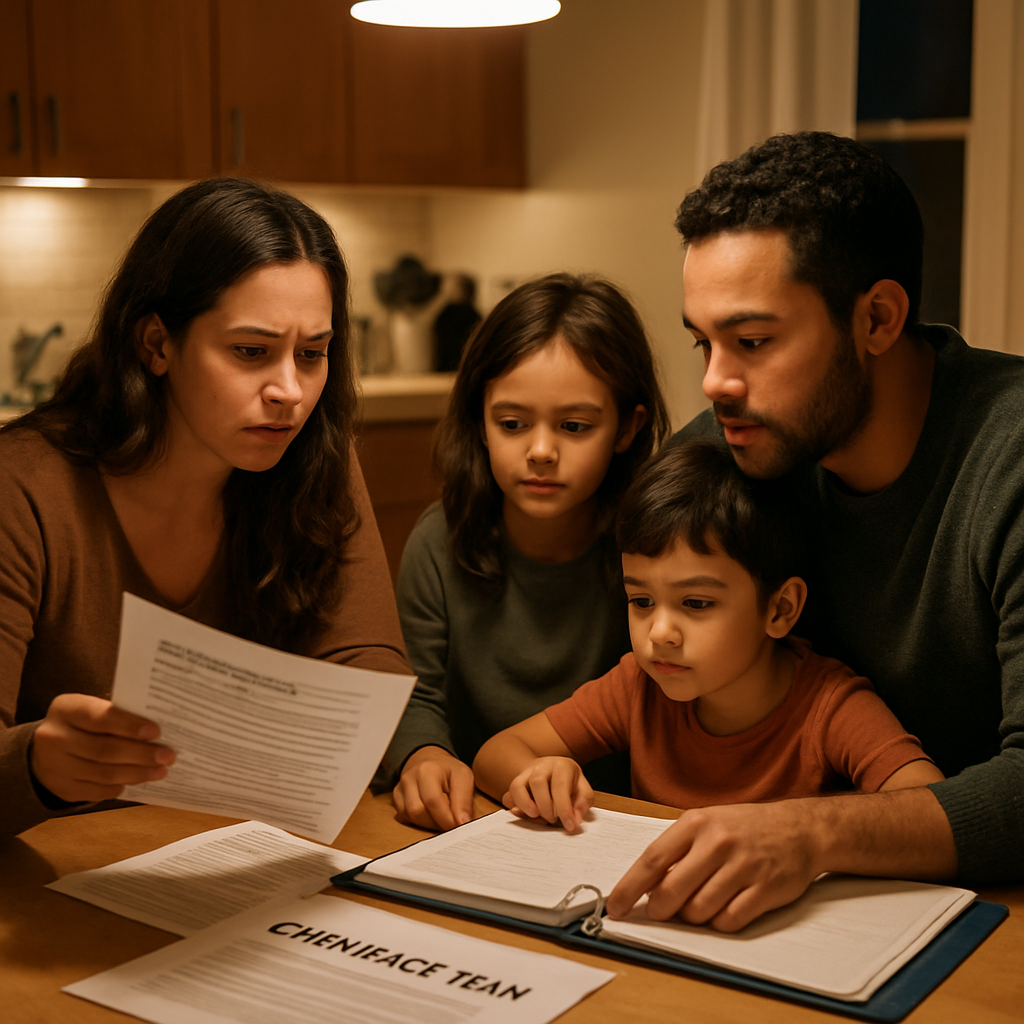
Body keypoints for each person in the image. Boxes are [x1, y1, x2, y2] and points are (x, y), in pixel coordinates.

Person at [605, 130, 1024, 934]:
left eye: (753, 342)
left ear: (877, 317)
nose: (715, 381)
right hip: (793, 919)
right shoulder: (718, 453)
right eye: (704, 341)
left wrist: (812, 830)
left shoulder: (1008, 461)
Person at [0, 177, 410, 837]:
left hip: (233, 855)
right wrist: (39, 764)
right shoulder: (23, 488)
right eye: (250, 352)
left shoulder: (314, 458)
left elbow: (366, 664)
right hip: (55, 874)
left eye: (313, 354)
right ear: (156, 345)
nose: (290, 392)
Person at [473, 439, 942, 830]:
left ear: (780, 609)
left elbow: (932, 808)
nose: (660, 633)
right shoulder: (639, 685)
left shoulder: (830, 707)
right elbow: (495, 754)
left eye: (695, 604)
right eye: (641, 601)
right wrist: (538, 773)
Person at [377, 273, 670, 830]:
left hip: (609, 824)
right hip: (477, 821)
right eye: (511, 424)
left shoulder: (652, 552)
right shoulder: (438, 542)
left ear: (628, 428)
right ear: (479, 421)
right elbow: (413, 694)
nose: (540, 451)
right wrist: (422, 755)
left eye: (574, 426)